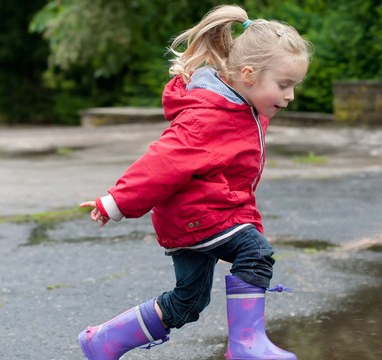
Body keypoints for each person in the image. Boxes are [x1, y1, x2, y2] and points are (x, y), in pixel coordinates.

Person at [76, 5, 312, 360]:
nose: (290, 95)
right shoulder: (208, 117)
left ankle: (103, 341)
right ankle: (246, 347)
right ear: (247, 74)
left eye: (293, 85)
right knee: (255, 251)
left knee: (188, 303)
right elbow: (161, 163)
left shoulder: (243, 108)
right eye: (284, 85)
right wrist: (115, 202)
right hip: (198, 216)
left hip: (202, 216)